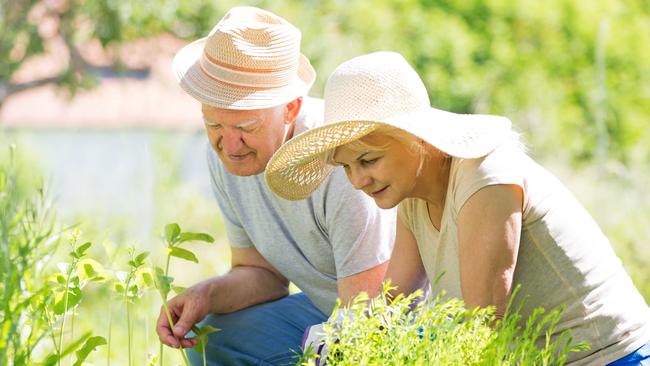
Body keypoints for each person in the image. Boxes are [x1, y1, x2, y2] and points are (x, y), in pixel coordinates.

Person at [265, 51, 650, 365]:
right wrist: (344, 334)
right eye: (346, 167)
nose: (357, 181)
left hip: (609, 357)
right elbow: (395, 302)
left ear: (416, 138)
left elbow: (480, 331)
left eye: (368, 160)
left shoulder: (485, 177)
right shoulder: (412, 192)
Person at [156, 9, 395, 365]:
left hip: (396, 318)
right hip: (324, 307)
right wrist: (205, 295)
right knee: (213, 338)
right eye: (214, 124)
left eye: (247, 126)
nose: (230, 144)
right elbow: (263, 276)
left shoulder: (342, 159)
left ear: (290, 109)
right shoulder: (224, 154)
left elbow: (366, 309)